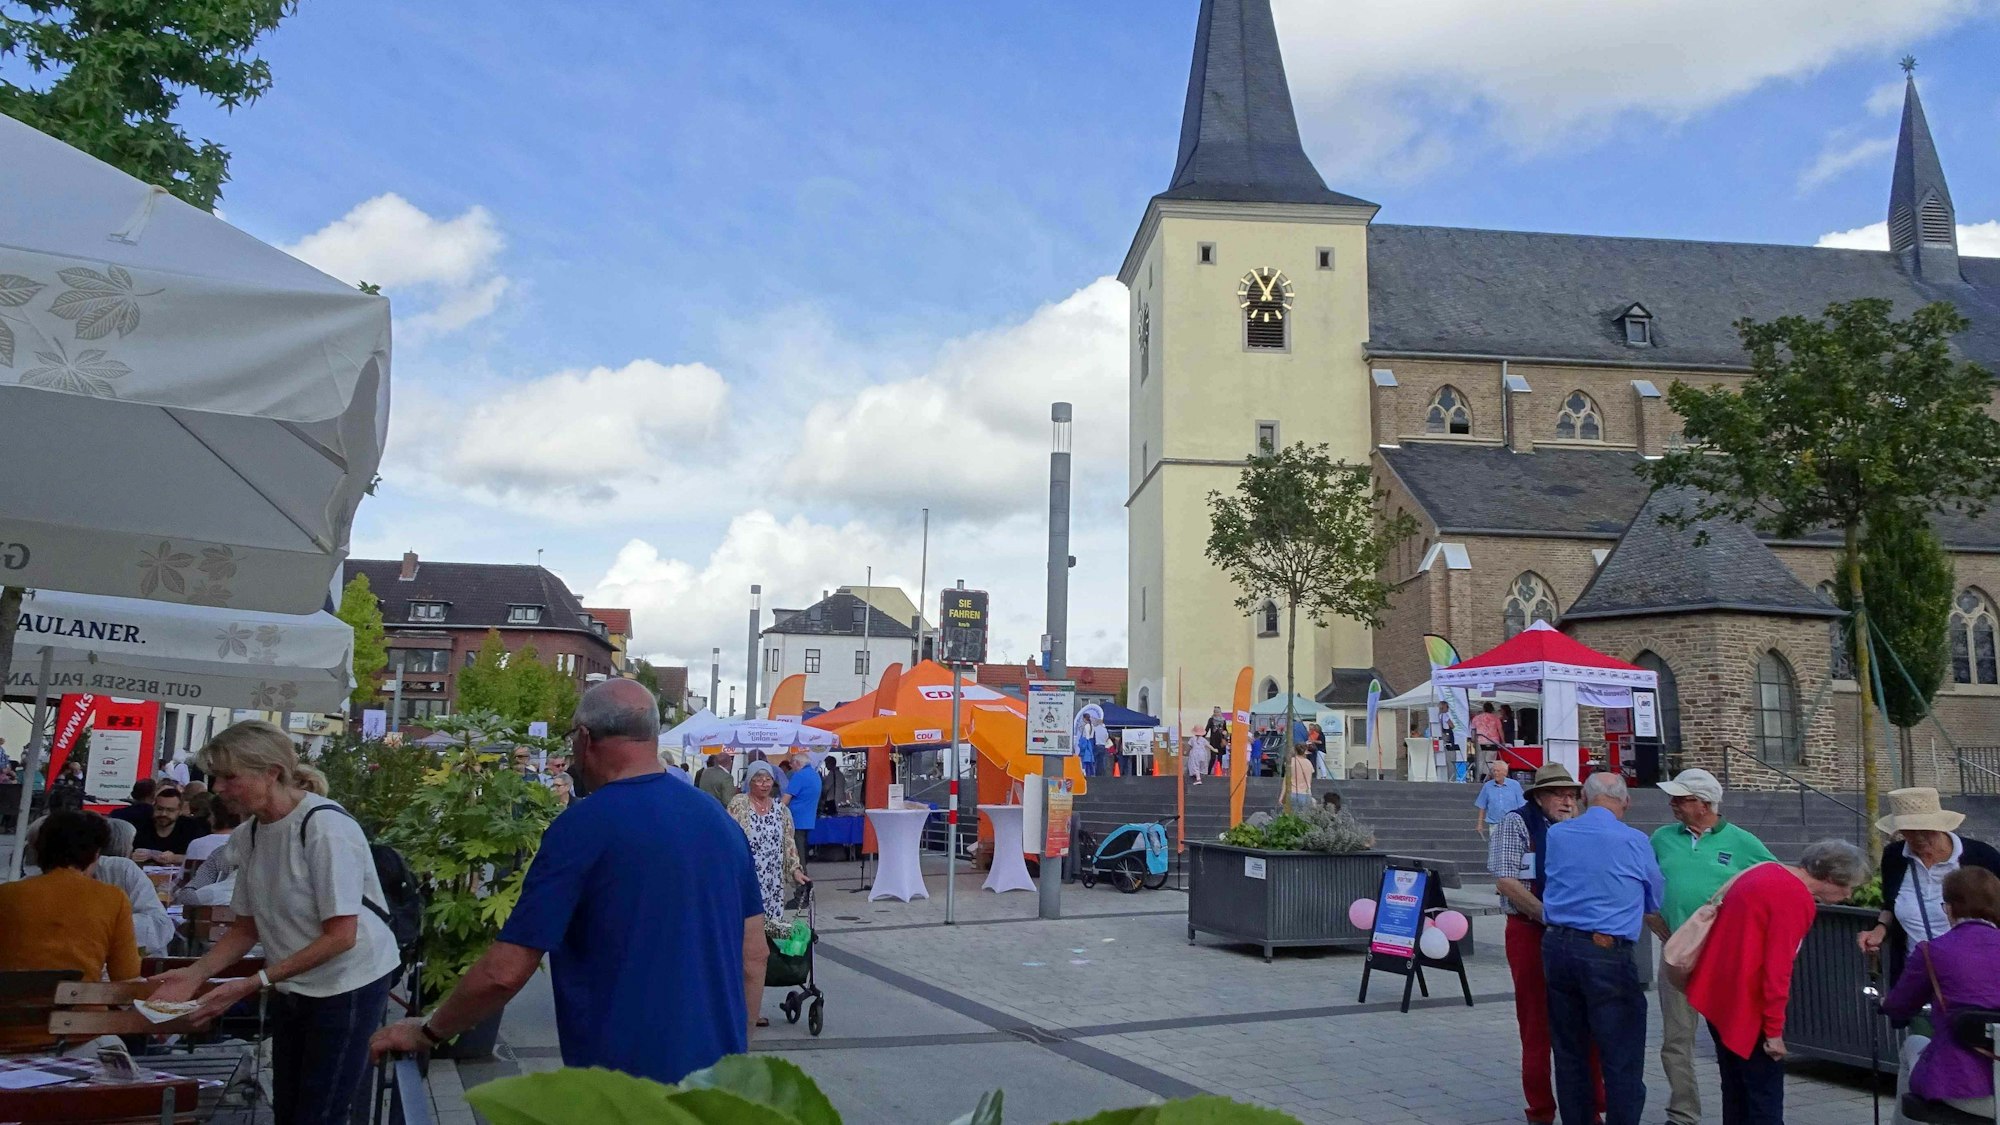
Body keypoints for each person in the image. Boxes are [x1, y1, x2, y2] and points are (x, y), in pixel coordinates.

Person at [369, 679, 766, 1085]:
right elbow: (754, 955)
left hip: (623, 1089)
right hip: (715, 1089)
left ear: (584, 738)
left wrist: (428, 1031)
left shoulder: (582, 827)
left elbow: (505, 972)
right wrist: (736, 1063)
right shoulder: (720, 823)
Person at [146, 721, 401, 1125]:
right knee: (289, 1109)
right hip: (293, 984)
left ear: (271, 773)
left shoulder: (325, 828)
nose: (218, 788)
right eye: (214, 777)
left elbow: (341, 937)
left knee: (320, 1114)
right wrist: (194, 974)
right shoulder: (249, 834)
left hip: (348, 983)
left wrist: (253, 982)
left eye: (229, 777)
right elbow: (246, 928)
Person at [1685, 840, 1868, 1125]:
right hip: (1748, 1007)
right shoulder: (1795, 898)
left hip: (1719, 996)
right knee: (1763, 1100)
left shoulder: (1764, 872)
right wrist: (1773, 1032)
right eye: (1849, 887)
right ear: (1832, 878)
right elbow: (1777, 970)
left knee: (1735, 1092)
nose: (1848, 895)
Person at [1642, 768, 1778, 1125]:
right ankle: (1683, 1114)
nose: (1672, 804)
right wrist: (1649, 912)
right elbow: (1642, 878)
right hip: (1676, 952)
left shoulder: (1742, 842)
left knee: (1732, 1038)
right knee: (1676, 1039)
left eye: (1681, 799)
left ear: (1704, 804)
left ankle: (1738, 1111)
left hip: (1723, 957)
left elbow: (1776, 883)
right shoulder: (1662, 838)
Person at [1540, 770, 1663, 1125]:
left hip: (1558, 945)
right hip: (1606, 950)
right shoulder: (1634, 840)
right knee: (1621, 1053)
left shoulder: (1558, 833)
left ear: (1583, 798)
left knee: (1570, 1051)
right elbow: (1654, 896)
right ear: (1626, 801)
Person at [1489, 763, 1603, 1125]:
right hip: (1530, 930)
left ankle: (1591, 1107)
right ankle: (1540, 1110)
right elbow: (1505, 880)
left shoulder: (1581, 826)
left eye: (1572, 795)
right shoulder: (1517, 822)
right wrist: (1548, 916)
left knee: (1586, 1022)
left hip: (1577, 933)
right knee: (1536, 1022)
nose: (1567, 802)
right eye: (1558, 794)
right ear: (1539, 797)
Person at [0, 811, 142, 1052]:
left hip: (8, 1036)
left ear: (39, 851)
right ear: (95, 854)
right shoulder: (112, 898)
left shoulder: (6, 896)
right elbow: (125, 980)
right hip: (80, 1035)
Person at [1882, 867, 2000, 1118]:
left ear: (1949, 908)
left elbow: (1899, 1007)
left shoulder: (1932, 951)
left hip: (1964, 1091)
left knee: (1913, 1044)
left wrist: (1884, 1002)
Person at [1856, 787, 2000, 988]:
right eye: (1909, 831)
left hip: (1975, 978)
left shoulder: (1982, 857)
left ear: (1940, 826)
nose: (1918, 837)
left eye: (1925, 829)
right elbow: (1890, 904)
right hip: (1916, 976)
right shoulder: (1895, 857)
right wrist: (1880, 929)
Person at [94, 816, 176, 955]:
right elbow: (161, 926)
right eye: (131, 843)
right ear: (122, 845)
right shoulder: (123, 868)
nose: (132, 849)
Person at [177, 802, 245, 907]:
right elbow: (187, 894)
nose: (208, 820)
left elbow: (184, 888)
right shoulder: (220, 853)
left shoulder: (200, 845)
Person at [131, 784, 204, 863]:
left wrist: (174, 858)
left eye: (170, 810)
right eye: (159, 809)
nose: (163, 814)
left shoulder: (192, 827)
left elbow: (200, 857)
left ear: (180, 811)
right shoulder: (141, 825)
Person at [1473, 757, 1525, 840]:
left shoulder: (1515, 785)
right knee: (1495, 846)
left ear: (1505, 772)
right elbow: (1482, 805)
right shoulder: (1487, 786)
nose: (1495, 773)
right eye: (1494, 771)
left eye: (1498, 771)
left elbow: (1522, 804)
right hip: (1494, 823)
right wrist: (1479, 824)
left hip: (1512, 824)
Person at [784, 752, 821, 866]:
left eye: (792, 763)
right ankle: (803, 871)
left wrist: (773, 809)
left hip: (796, 818)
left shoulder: (799, 776)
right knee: (804, 849)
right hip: (809, 818)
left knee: (798, 852)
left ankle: (802, 874)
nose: (791, 767)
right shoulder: (815, 775)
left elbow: (786, 799)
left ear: (797, 763)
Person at [1470, 702, 1505, 774]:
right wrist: (1503, 741)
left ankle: (1479, 776)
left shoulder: (1476, 718)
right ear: (1492, 709)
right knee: (1490, 760)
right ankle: (1488, 776)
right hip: (1493, 741)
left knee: (1480, 760)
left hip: (1480, 741)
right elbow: (1500, 730)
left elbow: (1473, 730)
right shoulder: (1495, 718)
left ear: (1483, 709)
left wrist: (1473, 740)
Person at [1285, 744, 1314, 811]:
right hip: (1306, 793)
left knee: (1293, 815)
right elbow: (1310, 780)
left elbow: (1286, 779)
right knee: (1305, 815)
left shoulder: (1291, 762)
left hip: (1293, 791)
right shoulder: (1309, 763)